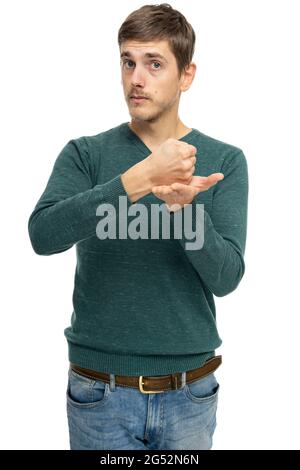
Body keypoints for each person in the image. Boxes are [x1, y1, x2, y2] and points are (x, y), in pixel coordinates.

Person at [28, 3, 248, 450]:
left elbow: (227, 279)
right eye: (128, 61)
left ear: (186, 75)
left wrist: (188, 214)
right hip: (98, 393)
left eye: (154, 64)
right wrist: (140, 179)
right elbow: (42, 236)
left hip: (189, 393)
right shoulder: (85, 154)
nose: (136, 78)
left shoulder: (224, 160)